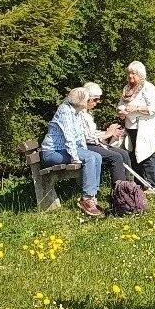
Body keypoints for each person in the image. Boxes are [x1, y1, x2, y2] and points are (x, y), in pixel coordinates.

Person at [40, 87, 104, 217]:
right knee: (90, 158)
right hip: (52, 152)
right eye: (87, 99)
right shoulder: (65, 111)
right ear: (81, 101)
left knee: (97, 156)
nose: (89, 101)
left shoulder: (75, 112)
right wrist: (75, 158)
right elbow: (69, 137)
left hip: (64, 150)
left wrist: (84, 151)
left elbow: (79, 136)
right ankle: (86, 199)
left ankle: (92, 196)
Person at [118, 61, 155, 194]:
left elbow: (153, 109)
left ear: (140, 74)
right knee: (133, 156)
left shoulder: (148, 88)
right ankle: (140, 185)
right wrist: (121, 112)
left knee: (147, 154)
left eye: (134, 73)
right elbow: (121, 105)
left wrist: (136, 108)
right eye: (129, 73)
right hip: (130, 126)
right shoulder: (127, 89)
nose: (130, 76)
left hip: (144, 127)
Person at [81, 82, 131, 185]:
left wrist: (109, 133)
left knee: (124, 154)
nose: (96, 103)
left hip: (93, 143)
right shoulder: (80, 113)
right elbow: (86, 138)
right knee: (116, 157)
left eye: (98, 100)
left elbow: (91, 133)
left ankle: (128, 186)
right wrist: (107, 134)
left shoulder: (88, 113)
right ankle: (119, 190)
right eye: (95, 99)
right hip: (84, 146)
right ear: (87, 98)